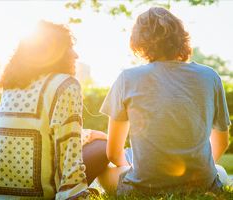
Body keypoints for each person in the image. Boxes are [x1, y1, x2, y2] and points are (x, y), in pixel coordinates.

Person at [98, 7, 230, 195]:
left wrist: (137, 172)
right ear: (181, 38)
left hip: (142, 187)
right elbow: (222, 142)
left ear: (138, 42)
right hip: (202, 183)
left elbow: (112, 153)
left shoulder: (127, 78)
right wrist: (199, 175)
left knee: (102, 171)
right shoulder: (210, 76)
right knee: (221, 172)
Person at [0, 20, 108, 200]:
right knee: (103, 147)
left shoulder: (12, 86)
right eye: (69, 47)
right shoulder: (65, 84)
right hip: (39, 194)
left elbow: (34, 132)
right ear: (54, 51)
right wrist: (75, 194)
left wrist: (87, 135)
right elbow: (68, 152)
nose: (76, 55)